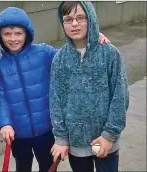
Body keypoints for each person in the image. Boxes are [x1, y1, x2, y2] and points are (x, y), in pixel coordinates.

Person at [0, 6, 110, 172]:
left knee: (48, 166)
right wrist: (4, 124)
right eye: (7, 34)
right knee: (22, 166)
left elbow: (71, 56)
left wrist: (90, 39)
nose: (13, 39)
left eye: (18, 33)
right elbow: (1, 98)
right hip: (17, 133)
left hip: (46, 129)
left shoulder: (43, 52)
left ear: (27, 33)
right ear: (0, 36)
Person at [50, 1, 129, 172]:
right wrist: (61, 138)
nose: (75, 23)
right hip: (76, 142)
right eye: (68, 19)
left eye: (81, 17)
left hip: (106, 141)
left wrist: (109, 135)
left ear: (91, 19)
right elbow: (56, 101)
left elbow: (120, 97)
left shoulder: (109, 54)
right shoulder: (60, 60)